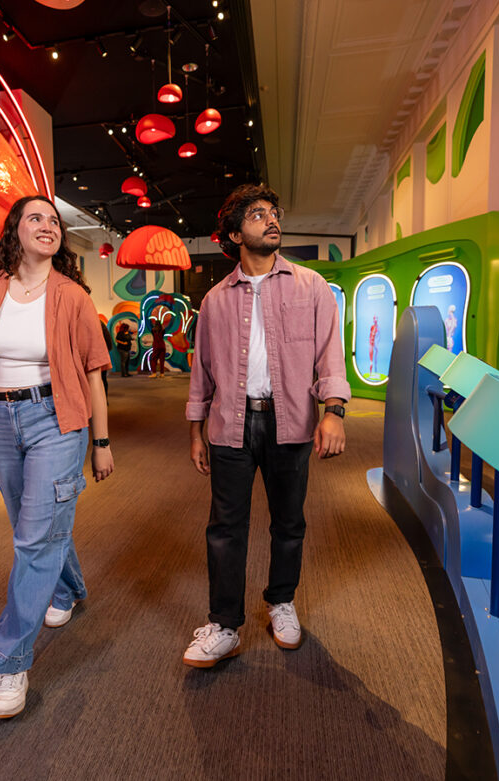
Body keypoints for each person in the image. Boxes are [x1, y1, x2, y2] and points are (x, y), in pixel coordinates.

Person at [0, 195, 114, 718]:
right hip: (0, 419)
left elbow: (93, 374)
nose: (47, 225)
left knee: (33, 537)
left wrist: (101, 442)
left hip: (56, 419)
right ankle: (69, 588)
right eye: (35, 218)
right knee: (33, 524)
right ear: (14, 231)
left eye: (54, 220)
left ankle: (11, 662)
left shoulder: (73, 296)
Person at [182, 184, 350, 667]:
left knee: (289, 523)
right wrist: (195, 431)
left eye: (274, 212)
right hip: (230, 424)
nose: (272, 219)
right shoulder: (215, 300)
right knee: (225, 528)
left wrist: (334, 411)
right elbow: (202, 370)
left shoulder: (311, 286)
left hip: (290, 421)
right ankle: (224, 624)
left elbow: (329, 353)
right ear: (235, 234)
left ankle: (281, 601)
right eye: (257, 215)